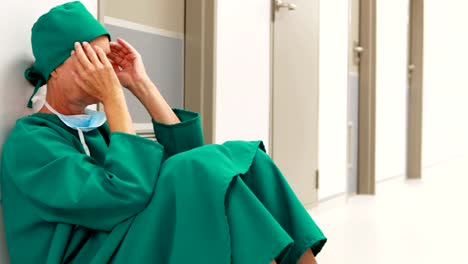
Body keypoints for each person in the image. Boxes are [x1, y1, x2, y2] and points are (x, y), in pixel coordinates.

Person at [0, 1, 326, 264]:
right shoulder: (30, 143)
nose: (106, 70)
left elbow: (186, 160)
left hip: (120, 237)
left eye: (107, 57)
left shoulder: (95, 132)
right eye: (93, 59)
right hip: (89, 255)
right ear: (55, 69)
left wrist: (141, 86)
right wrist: (114, 98)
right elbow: (123, 195)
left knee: (244, 161)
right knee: (199, 171)